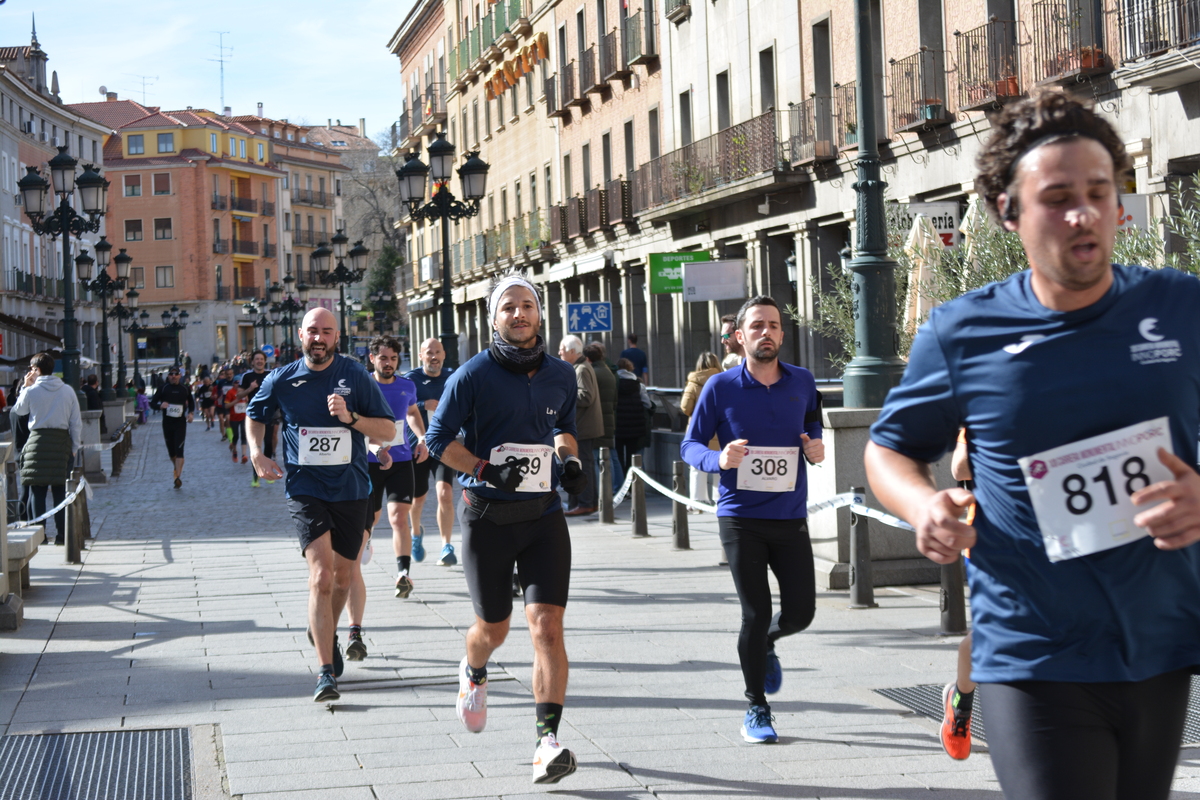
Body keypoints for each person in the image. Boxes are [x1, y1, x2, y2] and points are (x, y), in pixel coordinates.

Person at [864, 91, 1200, 800]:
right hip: (1031, 647)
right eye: (1057, 198)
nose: (1083, 214)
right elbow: (888, 449)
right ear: (1008, 212)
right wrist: (926, 506)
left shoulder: (1178, 307)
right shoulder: (962, 333)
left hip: (1160, 639)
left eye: (1098, 193)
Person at [425, 274, 586, 785]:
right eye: (509, 308)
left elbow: (564, 425)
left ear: (540, 315)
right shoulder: (471, 376)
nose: (519, 315)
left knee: (547, 627)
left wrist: (569, 457)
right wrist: (483, 467)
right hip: (488, 519)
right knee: (494, 628)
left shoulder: (563, 374)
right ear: (493, 318)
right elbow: (436, 439)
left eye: (527, 306)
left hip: (542, 517)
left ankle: (547, 742)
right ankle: (473, 671)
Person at [681, 296, 824, 743]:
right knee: (755, 611)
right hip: (740, 517)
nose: (767, 332)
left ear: (783, 334)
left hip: (789, 514)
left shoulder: (802, 380)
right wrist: (718, 458)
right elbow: (690, 445)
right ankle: (756, 707)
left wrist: (815, 448)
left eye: (774, 325)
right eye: (757, 325)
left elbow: (813, 424)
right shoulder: (719, 387)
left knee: (801, 612)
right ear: (739, 337)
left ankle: (767, 643)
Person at [247, 307, 395, 703]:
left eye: (326, 331)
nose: (319, 338)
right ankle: (325, 671)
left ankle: (324, 630)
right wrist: (257, 453)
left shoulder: (355, 375)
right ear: (300, 335)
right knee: (321, 576)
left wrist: (352, 418)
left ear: (337, 336)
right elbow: (254, 414)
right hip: (305, 486)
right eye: (312, 331)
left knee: (345, 577)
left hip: (352, 488)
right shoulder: (282, 377)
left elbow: (388, 429)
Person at [13, 353, 82, 545]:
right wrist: (75, 447)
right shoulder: (67, 391)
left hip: (38, 443)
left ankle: (40, 536)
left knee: (38, 491)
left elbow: (18, 411)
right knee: (60, 491)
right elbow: (75, 422)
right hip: (61, 443)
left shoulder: (31, 391)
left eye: (31, 368)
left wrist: (25, 388)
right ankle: (62, 535)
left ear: (37, 370)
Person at [404, 338, 459, 566]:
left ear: (444, 355)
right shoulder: (411, 379)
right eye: (429, 352)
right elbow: (400, 408)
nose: (433, 356)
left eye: (437, 352)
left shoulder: (453, 377)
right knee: (418, 500)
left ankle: (447, 545)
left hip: (443, 445)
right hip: (417, 447)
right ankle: (416, 534)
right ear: (420, 356)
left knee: (445, 494)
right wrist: (422, 404)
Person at [941, 428, 976, 761]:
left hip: (1073, 534)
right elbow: (959, 468)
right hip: (995, 538)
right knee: (991, 633)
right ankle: (961, 706)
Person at [557, 335, 602, 516]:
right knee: (581, 464)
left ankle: (586, 503)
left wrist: (563, 397)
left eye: (563, 349)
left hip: (584, 427)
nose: (559, 352)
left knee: (584, 465)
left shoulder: (581, 369)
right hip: (583, 426)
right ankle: (581, 502)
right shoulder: (580, 367)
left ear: (573, 352)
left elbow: (586, 396)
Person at [681, 352, 722, 509]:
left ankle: (698, 500)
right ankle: (719, 499)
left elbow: (685, 408)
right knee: (720, 463)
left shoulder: (693, 383)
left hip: (698, 428)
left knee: (697, 466)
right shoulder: (722, 380)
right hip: (719, 428)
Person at [584, 342, 623, 494]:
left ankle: (606, 490)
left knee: (598, 457)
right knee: (611, 455)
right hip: (608, 418)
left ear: (588, 358)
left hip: (598, 420)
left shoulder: (594, 373)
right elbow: (614, 400)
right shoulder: (608, 371)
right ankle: (617, 487)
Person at [149, 367, 195, 488]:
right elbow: (152, 403)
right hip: (167, 424)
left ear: (180, 376)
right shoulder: (163, 388)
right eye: (171, 374)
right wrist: (160, 405)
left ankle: (178, 477)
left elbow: (191, 402)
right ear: (168, 376)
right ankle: (176, 469)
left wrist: (191, 413)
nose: (173, 376)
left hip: (180, 423)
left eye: (176, 374)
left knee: (180, 450)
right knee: (172, 452)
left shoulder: (185, 388)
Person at [238, 351, 275, 487]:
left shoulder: (270, 375)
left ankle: (268, 472)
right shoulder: (247, 376)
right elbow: (239, 395)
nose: (259, 361)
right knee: (256, 447)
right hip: (254, 416)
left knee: (269, 444)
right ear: (252, 361)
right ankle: (255, 476)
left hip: (269, 414)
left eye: (261, 359)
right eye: (256, 359)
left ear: (265, 361)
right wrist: (250, 388)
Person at [613, 357, 651, 474]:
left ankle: (620, 484)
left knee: (618, 456)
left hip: (618, 425)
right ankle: (631, 484)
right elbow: (647, 404)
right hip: (635, 427)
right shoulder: (638, 384)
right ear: (630, 368)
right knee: (632, 457)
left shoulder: (614, 383)